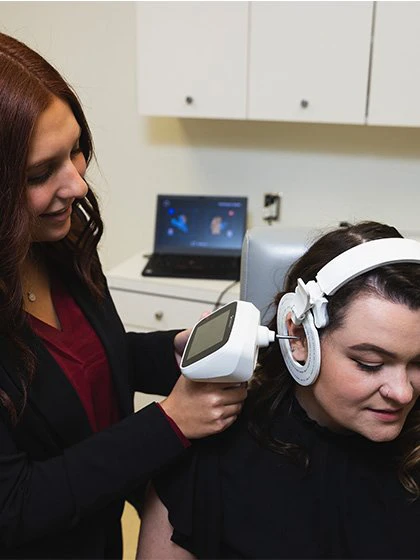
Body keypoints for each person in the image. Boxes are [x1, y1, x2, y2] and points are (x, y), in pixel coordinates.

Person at [0, 31, 247, 559]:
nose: (77, 185)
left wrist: (173, 351)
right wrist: (170, 423)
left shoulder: (60, 246)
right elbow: (13, 506)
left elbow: (82, 364)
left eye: (76, 151)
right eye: (42, 173)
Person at [137, 221, 420, 560]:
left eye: (419, 362)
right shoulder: (208, 456)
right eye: (370, 363)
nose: (403, 393)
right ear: (300, 338)